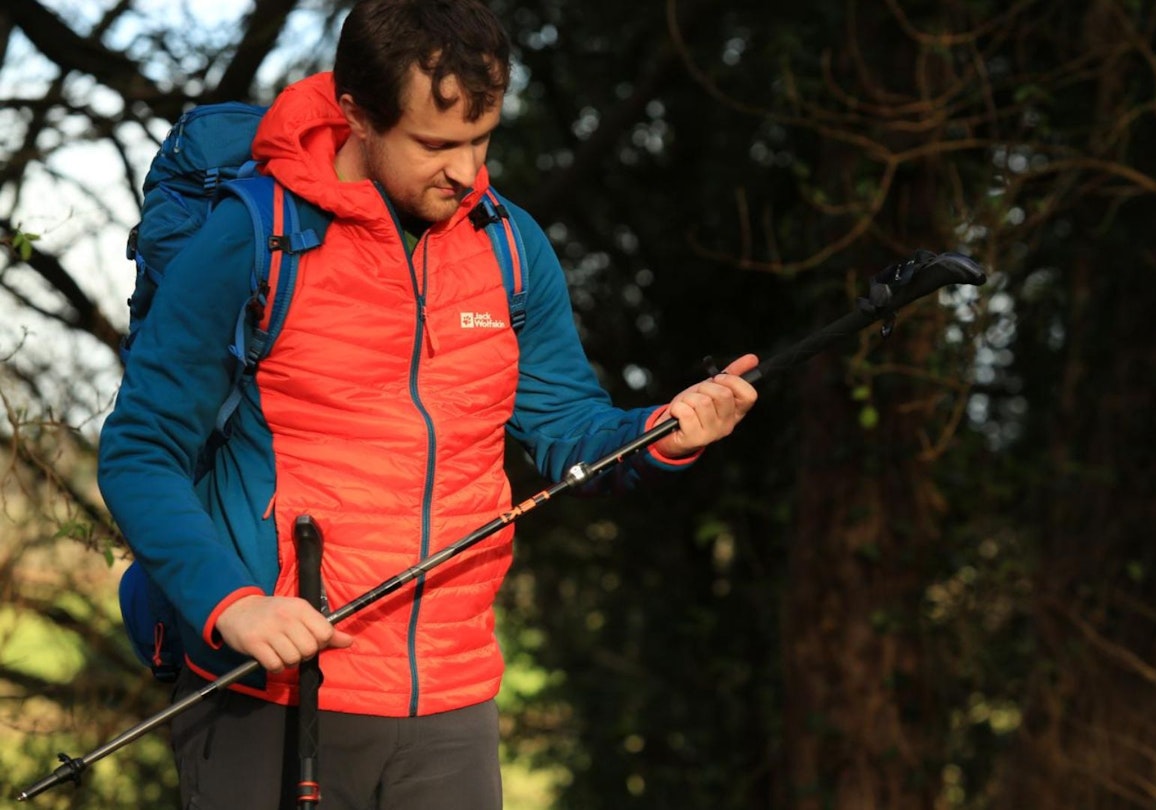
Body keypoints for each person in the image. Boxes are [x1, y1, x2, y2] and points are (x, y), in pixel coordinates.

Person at [96, 0, 757, 807]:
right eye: (437, 145)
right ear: (356, 116)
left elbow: (567, 432)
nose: (467, 171)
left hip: (452, 708)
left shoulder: (510, 248)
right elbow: (140, 449)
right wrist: (231, 607)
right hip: (268, 694)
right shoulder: (252, 239)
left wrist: (663, 433)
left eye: (483, 140)